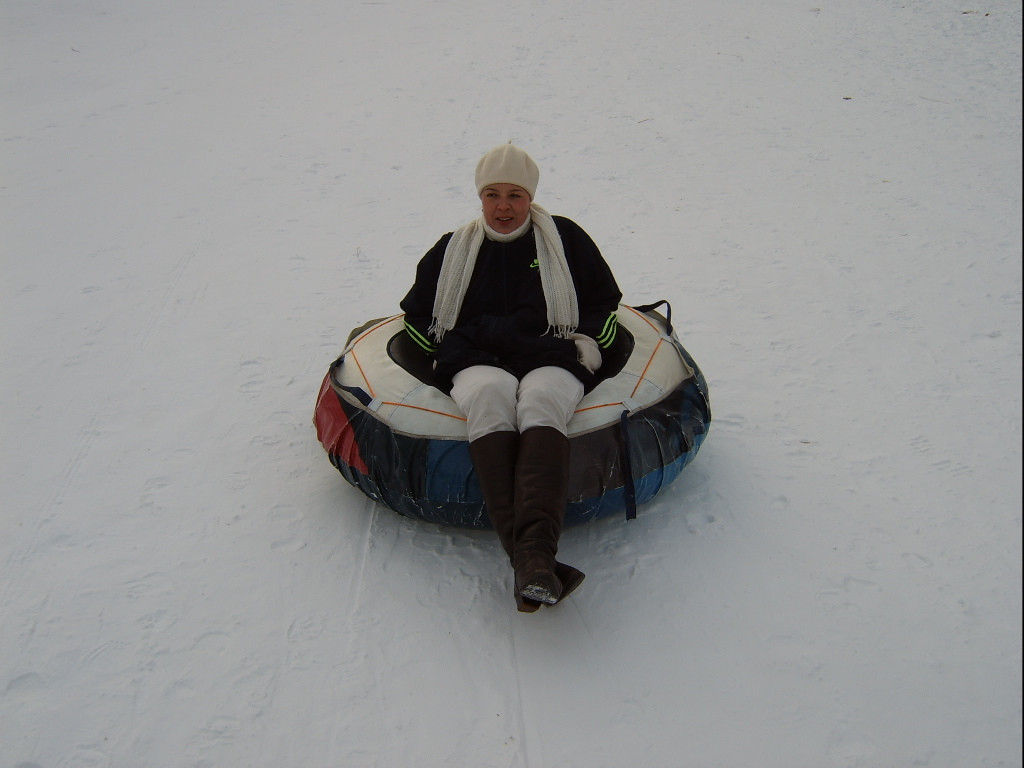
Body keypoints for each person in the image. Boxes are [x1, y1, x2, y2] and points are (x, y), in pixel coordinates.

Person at [400, 144, 622, 612]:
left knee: (541, 399)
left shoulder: (566, 239)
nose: (503, 207)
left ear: (530, 197)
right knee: (488, 394)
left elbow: (605, 301)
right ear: (480, 197)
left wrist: (587, 339)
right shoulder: (452, 248)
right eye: (493, 195)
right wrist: (440, 351)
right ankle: (535, 562)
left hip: (551, 348)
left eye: (515, 195)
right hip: (476, 355)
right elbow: (416, 315)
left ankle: (532, 559)